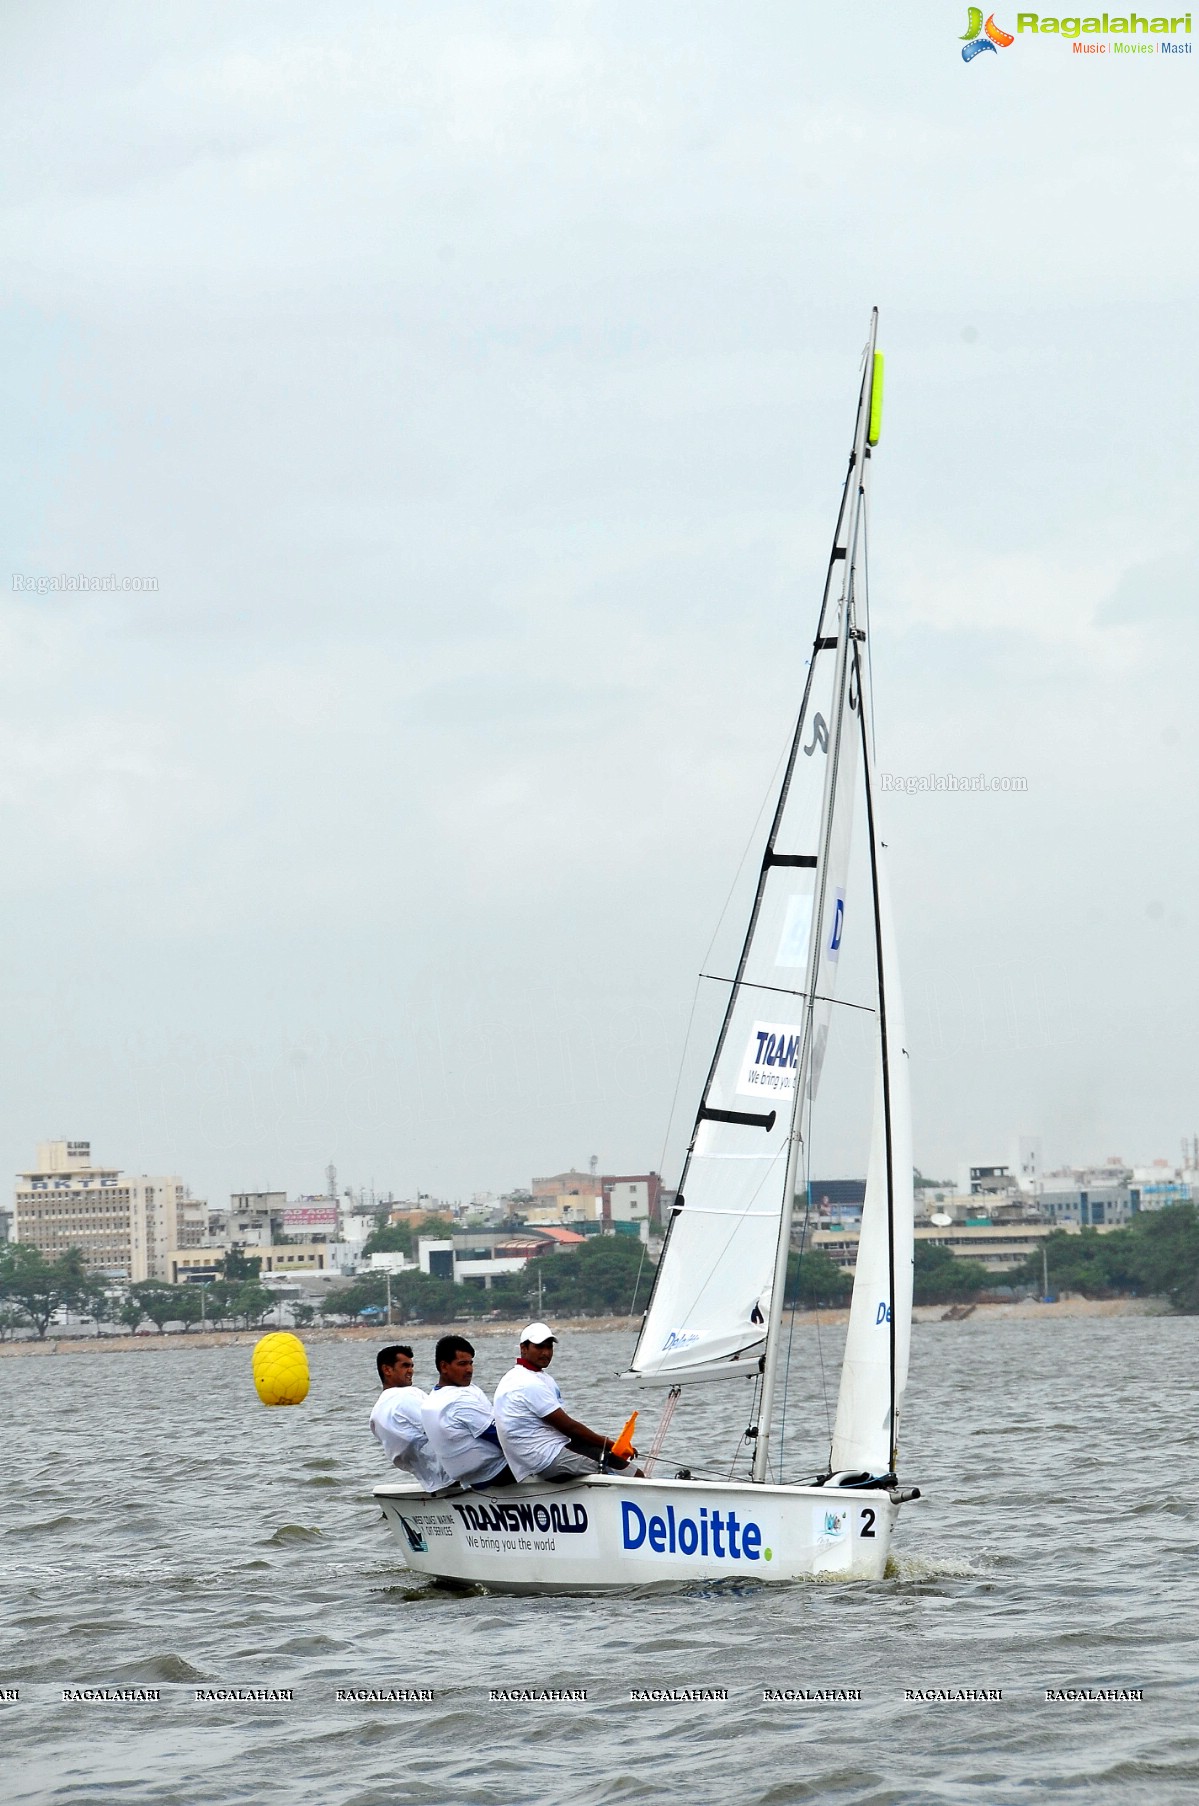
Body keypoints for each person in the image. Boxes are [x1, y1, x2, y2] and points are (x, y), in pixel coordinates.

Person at [493, 1322, 637, 1482]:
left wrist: (608, 1445)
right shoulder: (526, 1382)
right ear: (523, 1349)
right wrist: (611, 1444)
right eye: (539, 1347)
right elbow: (569, 1427)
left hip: (547, 1451)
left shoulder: (534, 1377)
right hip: (545, 1458)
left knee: (606, 1453)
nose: (546, 1353)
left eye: (549, 1347)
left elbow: (566, 1429)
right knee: (631, 1472)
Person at [419, 1334, 513, 1487]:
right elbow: (499, 1437)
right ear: (444, 1367)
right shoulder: (458, 1399)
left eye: (470, 1363)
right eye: (462, 1364)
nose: (469, 1370)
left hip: (471, 1479)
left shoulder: (432, 1400)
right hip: (497, 1473)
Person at [369, 1344, 451, 1493]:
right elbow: (443, 1425)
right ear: (387, 1370)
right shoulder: (405, 1396)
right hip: (454, 1473)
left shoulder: (376, 1413)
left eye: (412, 1366)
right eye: (405, 1366)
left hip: (431, 1480)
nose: (411, 1371)